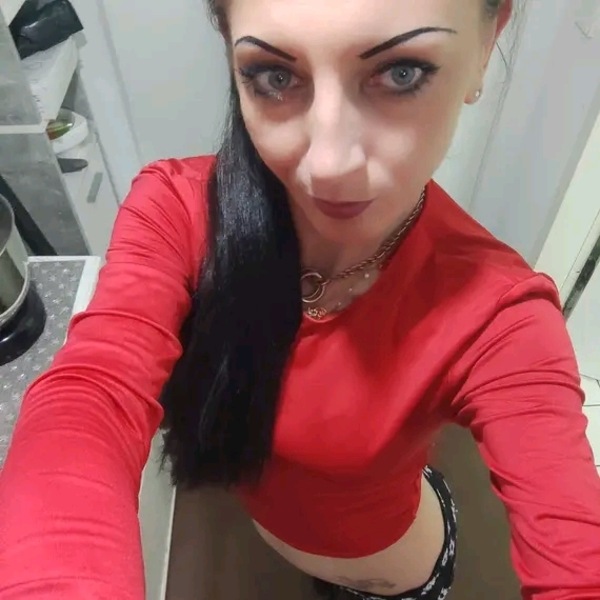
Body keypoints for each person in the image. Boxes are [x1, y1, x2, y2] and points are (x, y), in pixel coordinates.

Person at [1, 0, 600, 598]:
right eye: (275, 76)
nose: (329, 166)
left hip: (393, 575)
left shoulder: (501, 315)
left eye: (402, 73)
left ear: (485, 45)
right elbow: (90, 394)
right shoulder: (178, 210)